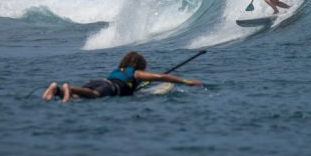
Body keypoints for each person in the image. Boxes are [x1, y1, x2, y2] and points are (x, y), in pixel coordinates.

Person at [42, 51, 202, 102]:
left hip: (101, 81)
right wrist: (186, 82)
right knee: (94, 95)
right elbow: (161, 77)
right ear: (139, 65)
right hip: (110, 88)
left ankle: (57, 90)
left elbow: (128, 84)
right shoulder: (137, 73)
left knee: (79, 96)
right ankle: (68, 87)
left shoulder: (119, 69)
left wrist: (135, 86)